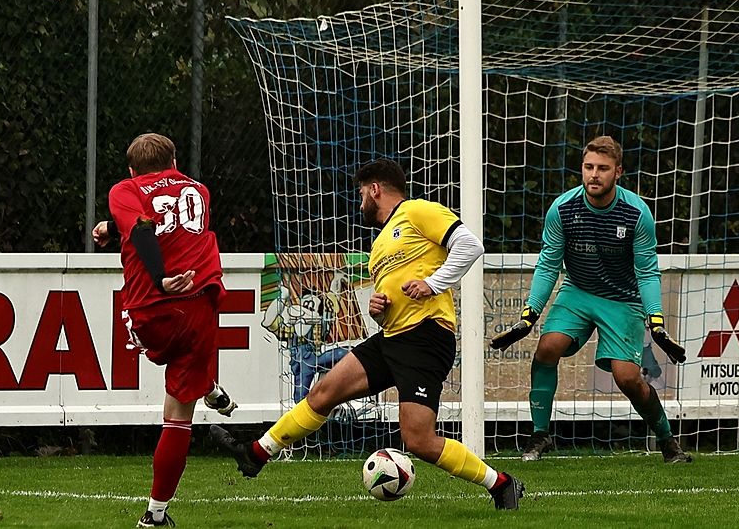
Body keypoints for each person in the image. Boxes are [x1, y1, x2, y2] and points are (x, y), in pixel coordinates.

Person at [212, 159, 526, 509]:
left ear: (375, 189)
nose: (360, 201)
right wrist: (379, 309)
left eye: (361, 193)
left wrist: (432, 283)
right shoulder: (379, 246)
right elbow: (393, 304)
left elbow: (470, 246)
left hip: (425, 338)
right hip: (392, 337)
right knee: (323, 393)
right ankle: (256, 453)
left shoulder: (417, 211)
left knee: (418, 440)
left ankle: (502, 484)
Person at [491, 136, 692, 464]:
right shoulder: (562, 209)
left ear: (618, 172)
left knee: (627, 378)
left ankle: (667, 440)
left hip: (622, 300)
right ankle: (539, 435)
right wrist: (530, 315)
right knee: (547, 347)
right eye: (588, 167)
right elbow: (549, 264)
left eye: (603, 168)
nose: (594, 174)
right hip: (578, 291)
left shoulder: (636, 213)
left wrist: (655, 320)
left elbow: (647, 271)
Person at [92, 133, 238, 527]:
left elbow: (144, 227)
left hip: (150, 309)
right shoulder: (199, 191)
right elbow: (166, 218)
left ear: (131, 170)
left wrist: (160, 278)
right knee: (178, 414)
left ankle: (207, 385)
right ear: (174, 161)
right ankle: (155, 513)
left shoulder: (125, 189)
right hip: (198, 303)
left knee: (173, 364)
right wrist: (114, 228)